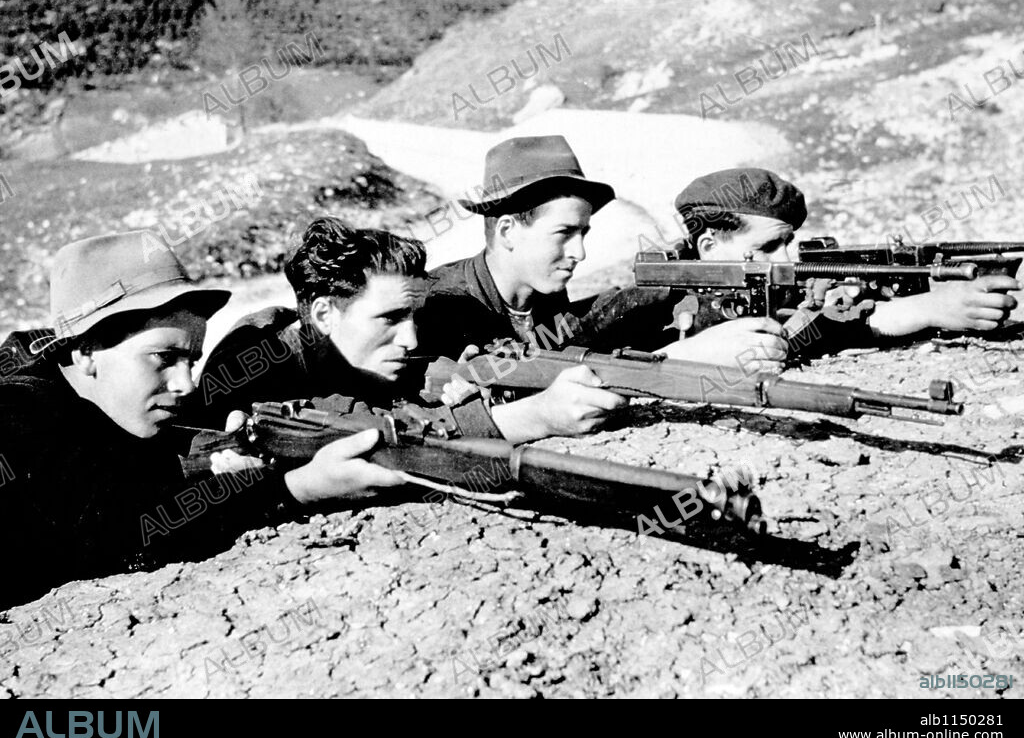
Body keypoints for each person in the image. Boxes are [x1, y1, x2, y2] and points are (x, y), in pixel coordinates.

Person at [0, 232, 405, 609]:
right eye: (163, 358)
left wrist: (227, 454)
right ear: (86, 351)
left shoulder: (106, 396)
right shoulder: (17, 415)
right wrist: (295, 488)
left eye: (191, 360)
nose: (186, 384)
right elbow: (125, 528)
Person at [416, 135, 785, 429]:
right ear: (509, 231)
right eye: (563, 233)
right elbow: (497, 390)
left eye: (583, 233)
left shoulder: (542, 294)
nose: (580, 252)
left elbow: (569, 346)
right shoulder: (443, 304)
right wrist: (681, 358)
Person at [197, 217, 621, 444]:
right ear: (325, 314)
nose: (411, 339)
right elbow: (369, 431)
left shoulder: (370, 353)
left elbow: (430, 384)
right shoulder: (250, 365)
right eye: (389, 319)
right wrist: (534, 416)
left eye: (411, 317)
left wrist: (470, 381)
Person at [666, 168, 1020, 367]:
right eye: (767, 248)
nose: (785, 260)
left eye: (787, 243)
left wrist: (934, 307)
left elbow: (836, 324)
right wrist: (687, 354)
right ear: (709, 247)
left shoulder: (778, 283)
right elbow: (609, 365)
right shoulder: (655, 298)